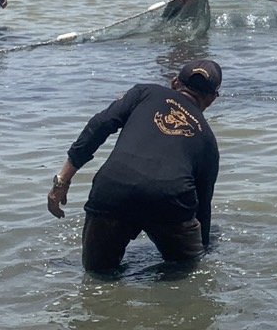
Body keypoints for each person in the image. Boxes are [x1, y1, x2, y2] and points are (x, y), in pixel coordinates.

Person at [47, 59, 222, 273]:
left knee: (97, 276)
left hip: (113, 190)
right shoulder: (208, 141)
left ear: (174, 82)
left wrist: (62, 181)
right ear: (212, 98)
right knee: (187, 271)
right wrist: (202, 250)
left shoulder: (145, 92)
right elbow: (203, 207)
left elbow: (99, 126)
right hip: (169, 198)